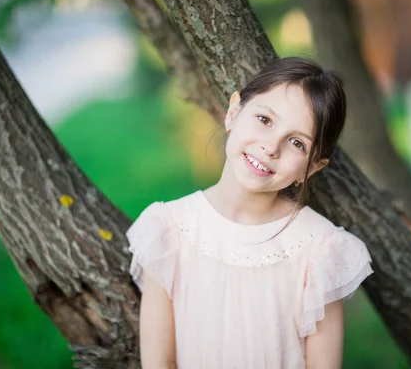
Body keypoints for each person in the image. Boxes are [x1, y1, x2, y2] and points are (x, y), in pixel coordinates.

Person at [127, 57, 374, 368]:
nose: (271, 147)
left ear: (312, 167)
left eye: (297, 142)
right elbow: (158, 363)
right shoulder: (168, 232)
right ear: (234, 112)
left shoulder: (321, 252)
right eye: (265, 120)